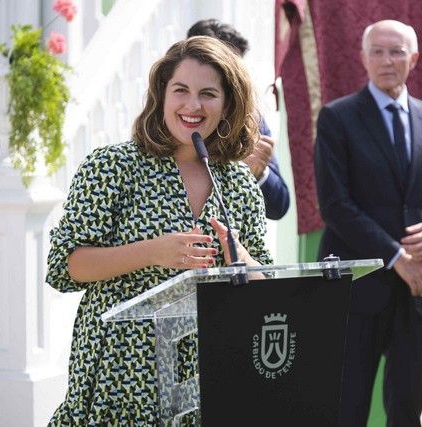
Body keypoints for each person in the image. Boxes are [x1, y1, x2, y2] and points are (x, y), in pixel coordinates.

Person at [46, 36, 272, 424]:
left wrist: (242, 257)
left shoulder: (238, 182)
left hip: (208, 376)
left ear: (228, 104)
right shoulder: (113, 166)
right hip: (120, 373)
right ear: (161, 95)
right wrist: (152, 252)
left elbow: (266, 283)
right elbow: (65, 267)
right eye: (180, 90)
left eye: (208, 94)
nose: (193, 105)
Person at [314, 20, 422, 426]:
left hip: (417, 295)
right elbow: (335, 206)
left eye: (396, 51)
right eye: (377, 51)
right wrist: (396, 256)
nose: (386, 60)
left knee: (406, 410)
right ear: (363, 59)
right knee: (347, 409)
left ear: (414, 59)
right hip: (357, 288)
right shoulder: (336, 119)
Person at [187, 18, 290, 220]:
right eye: (224, 71)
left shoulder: (251, 120)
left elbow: (279, 206)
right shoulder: (172, 120)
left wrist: (258, 174)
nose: (233, 82)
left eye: (237, 71)